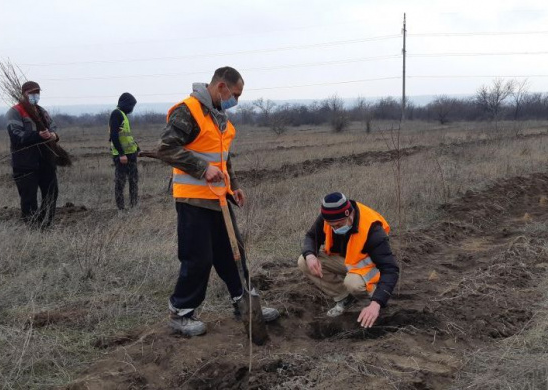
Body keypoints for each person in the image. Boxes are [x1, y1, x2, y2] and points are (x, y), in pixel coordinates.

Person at [152, 66, 279, 336]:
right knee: (199, 257)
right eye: (235, 94)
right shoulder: (188, 110)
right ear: (221, 87)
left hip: (219, 199)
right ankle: (181, 312)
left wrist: (233, 187)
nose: (236, 101)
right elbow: (166, 148)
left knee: (233, 253)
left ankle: (245, 304)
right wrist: (201, 169)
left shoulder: (219, 117)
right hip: (193, 199)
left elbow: (222, 157)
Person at [299, 192, 399, 328]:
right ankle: (344, 297)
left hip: (370, 268)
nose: (334, 229)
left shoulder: (373, 230)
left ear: (348, 214)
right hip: (348, 262)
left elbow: (390, 269)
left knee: (353, 283)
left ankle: (374, 293)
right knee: (303, 261)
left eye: (339, 225)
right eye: (331, 225)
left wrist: (376, 303)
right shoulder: (329, 217)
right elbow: (311, 236)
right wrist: (310, 255)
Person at [6, 81, 60, 228]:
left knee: (52, 194)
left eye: (37, 92)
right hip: (25, 164)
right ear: (24, 93)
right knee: (29, 199)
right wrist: (38, 136)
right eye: (31, 93)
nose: (35, 95)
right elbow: (16, 136)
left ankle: (45, 226)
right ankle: (33, 229)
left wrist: (54, 135)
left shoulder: (42, 111)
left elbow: (53, 127)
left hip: (46, 162)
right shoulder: (15, 111)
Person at [109, 92, 139, 210]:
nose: (132, 109)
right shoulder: (116, 114)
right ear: (125, 104)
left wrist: (137, 148)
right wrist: (121, 154)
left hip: (131, 155)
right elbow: (114, 136)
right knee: (120, 183)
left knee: (133, 181)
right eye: (131, 105)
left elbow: (127, 137)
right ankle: (120, 209)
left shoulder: (123, 115)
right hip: (122, 157)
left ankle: (134, 206)